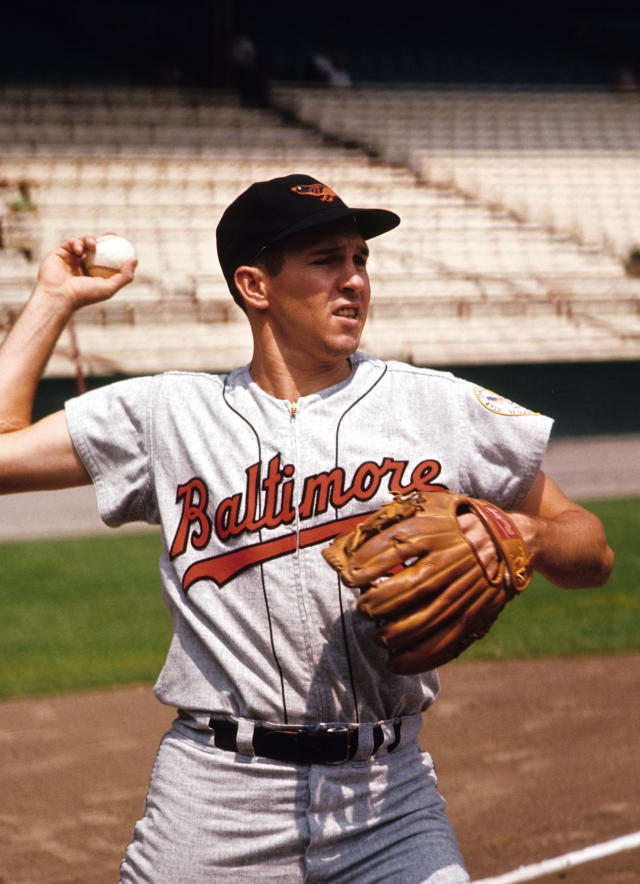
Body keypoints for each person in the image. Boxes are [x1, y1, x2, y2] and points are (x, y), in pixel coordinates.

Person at [0, 173, 613, 883]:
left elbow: (590, 545)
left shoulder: (437, 407)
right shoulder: (167, 415)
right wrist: (53, 299)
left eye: (361, 259)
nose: (354, 280)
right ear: (256, 286)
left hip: (388, 799)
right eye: (327, 261)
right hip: (214, 800)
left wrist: (528, 536)